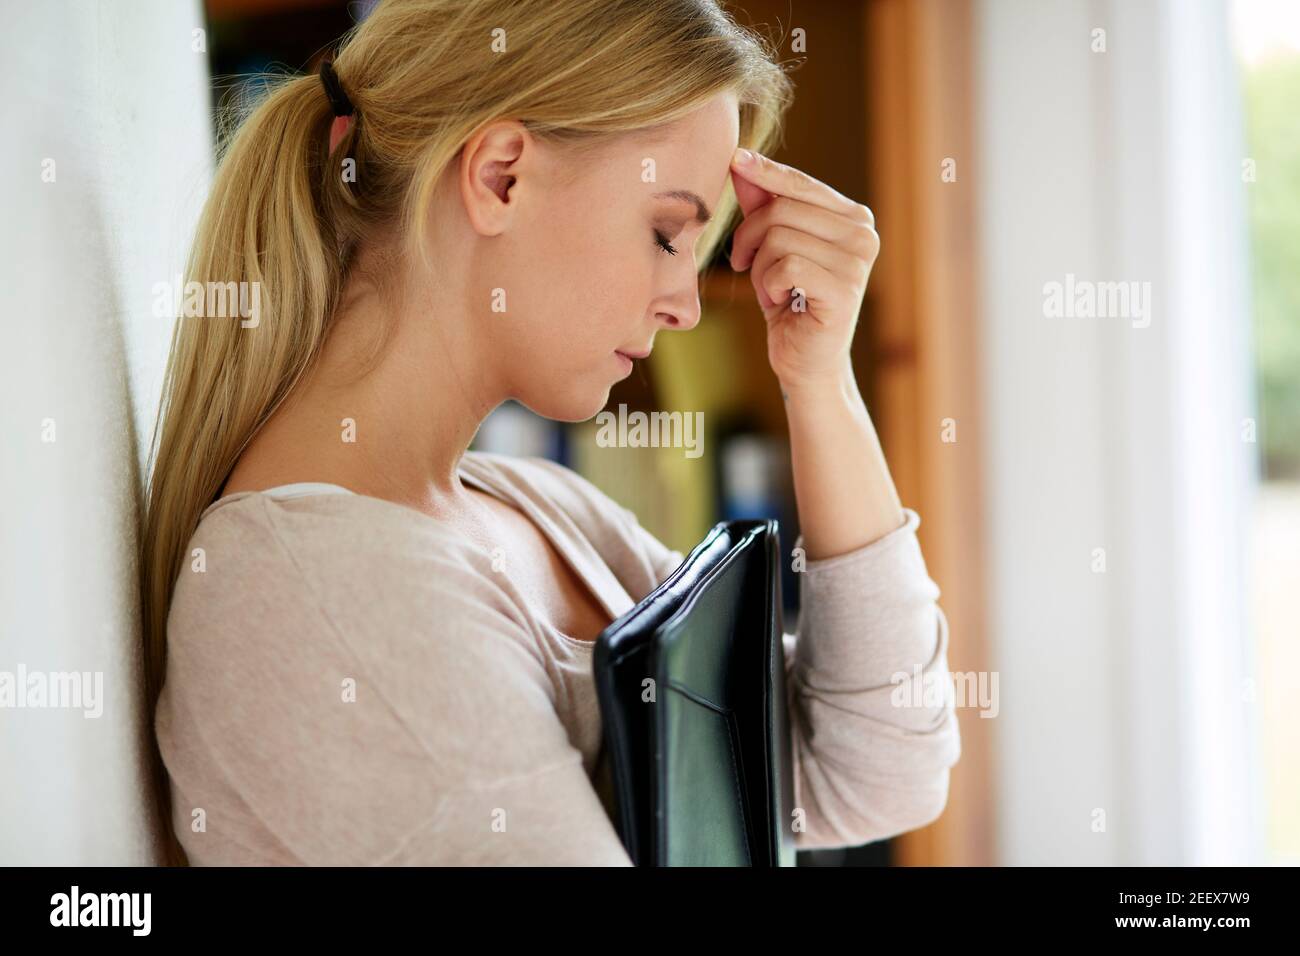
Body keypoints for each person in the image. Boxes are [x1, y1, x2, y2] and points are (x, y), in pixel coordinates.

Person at [141, 0, 960, 866]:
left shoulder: (535, 507)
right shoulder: (320, 587)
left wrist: (820, 379)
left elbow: (873, 771)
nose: (684, 305)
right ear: (501, 176)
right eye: (665, 232)